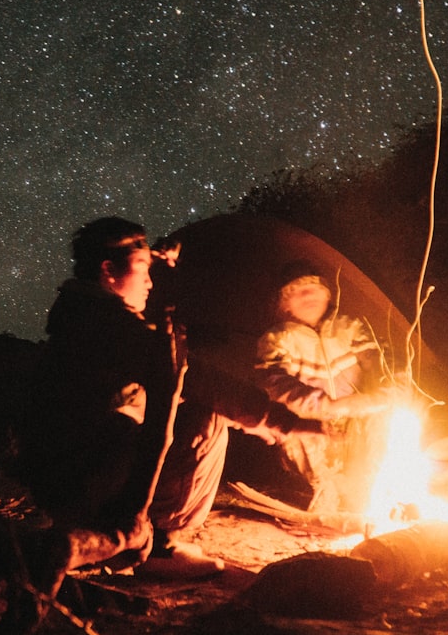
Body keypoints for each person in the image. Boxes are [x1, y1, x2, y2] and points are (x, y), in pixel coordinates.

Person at [19, 218, 306, 596]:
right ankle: (160, 544)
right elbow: (195, 379)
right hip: (82, 483)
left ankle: (137, 532)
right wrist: (281, 420)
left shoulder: (83, 317)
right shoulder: (107, 326)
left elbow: (155, 389)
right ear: (108, 271)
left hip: (70, 480)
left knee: (187, 409)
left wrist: (253, 422)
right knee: (207, 416)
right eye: (142, 270)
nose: (150, 283)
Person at [254, 259, 389, 513]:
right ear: (284, 304)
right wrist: (323, 405)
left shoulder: (349, 328)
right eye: (297, 291)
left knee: (385, 415)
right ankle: (322, 489)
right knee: (297, 430)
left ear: (327, 295)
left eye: (314, 289)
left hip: (352, 417)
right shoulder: (278, 338)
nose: (308, 296)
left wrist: (387, 390)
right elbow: (273, 382)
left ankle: (370, 489)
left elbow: (381, 362)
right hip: (312, 420)